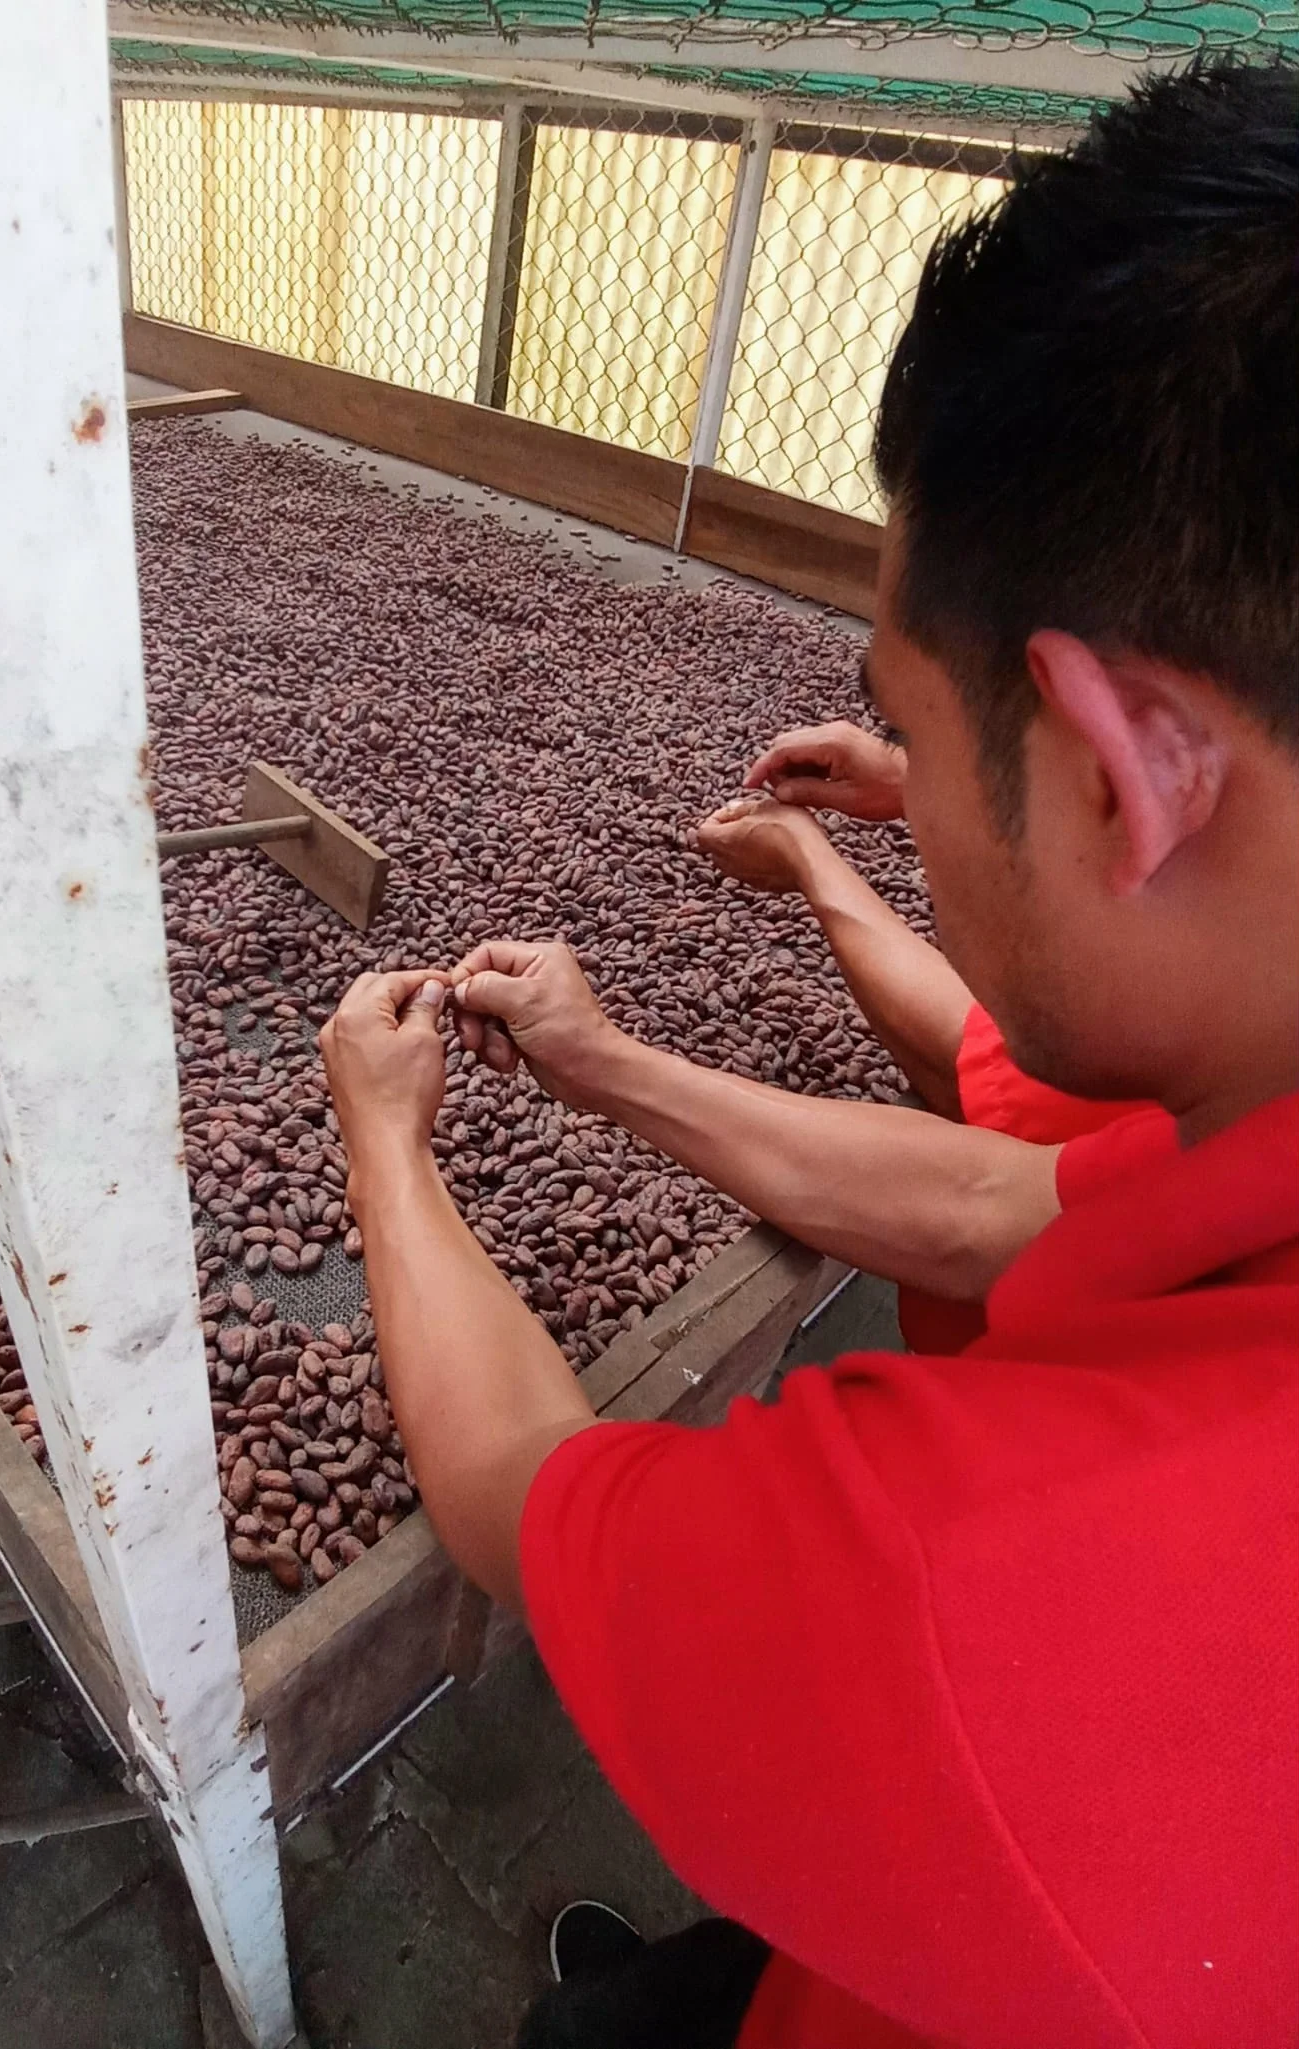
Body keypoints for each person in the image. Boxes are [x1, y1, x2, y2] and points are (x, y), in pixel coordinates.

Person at [320, 60, 1299, 2049]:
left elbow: (527, 1489)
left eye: (913, 729)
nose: (899, 785)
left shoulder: (969, 1578)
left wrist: (385, 1141)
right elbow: (1010, 1197)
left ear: (1126, 774)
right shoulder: (1243, 1127)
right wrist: (613, 1062)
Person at [696, 722, 1160, 1350]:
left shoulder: (1188, 1092)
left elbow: (969, 1206)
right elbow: (984, 1065)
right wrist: (913, 780)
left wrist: (599, 1060)